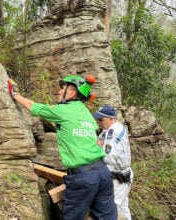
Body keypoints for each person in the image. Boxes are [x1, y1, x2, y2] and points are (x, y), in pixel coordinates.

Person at [8, 75, 117, 219]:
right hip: (103, 174)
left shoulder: (63, 110)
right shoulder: (87, 114)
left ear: (72, 93)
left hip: (83, 177)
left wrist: (15, 94)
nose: (59, 92)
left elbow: (34, 107)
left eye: (63, 88)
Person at [93, 105, 133, 220]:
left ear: (111, 118)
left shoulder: (114, 131)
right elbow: (98, 141)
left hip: (119, 178)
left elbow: (108, 158)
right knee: (123, 208)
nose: (99, 122)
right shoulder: (108, 130)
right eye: (98, 120)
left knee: (112, 208)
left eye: (101, 120)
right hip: (119, 176)